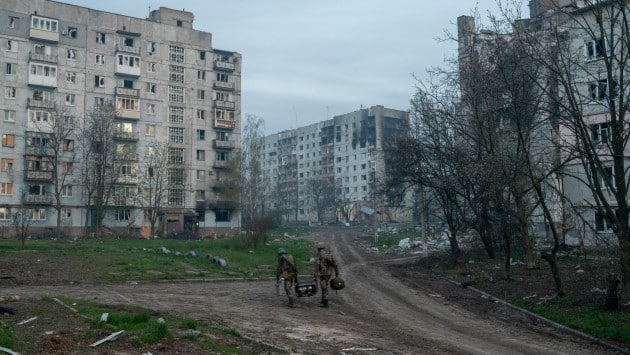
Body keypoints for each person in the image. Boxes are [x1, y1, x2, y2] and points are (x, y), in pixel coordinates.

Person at [313, 242, 339, 308]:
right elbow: (335, 265)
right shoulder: (329, 254)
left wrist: (315, 275)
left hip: (323, 274)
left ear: (318, 248)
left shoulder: (320, 255)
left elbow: (317, 266)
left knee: (324, 288)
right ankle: (323, 300)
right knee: (324, 286)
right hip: (329, 273)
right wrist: (337, 275)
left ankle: (325, 302)